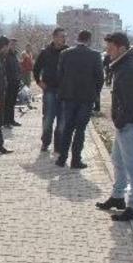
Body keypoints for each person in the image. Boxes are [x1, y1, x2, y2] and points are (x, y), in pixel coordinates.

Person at [96, 32, 133, 221]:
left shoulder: (129, 69)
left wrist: (120, 121)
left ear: (121, 48)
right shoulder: (129, 62)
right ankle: (118, 197)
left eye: (110, 49)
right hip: (127, 123)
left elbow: (132, 102)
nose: (108, 52)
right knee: (117, 160)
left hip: (131, 124)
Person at [55, 30, 104, 169]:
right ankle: (76, 160)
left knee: (67, 128)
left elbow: (59, 75)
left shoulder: (65, 54)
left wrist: (64, 90)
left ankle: (62, 158)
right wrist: (95, 95)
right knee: (80, 130)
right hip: (86, 98)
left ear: (78, 39)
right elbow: (100, 78)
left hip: (68, 97)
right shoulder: (95, 55)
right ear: (89, 40)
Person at [33, 28, 69, 152]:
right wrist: (38, 81)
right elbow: (36, 68)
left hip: (64, 92)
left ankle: (58, 145)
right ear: (54, 37)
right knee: (48, 118)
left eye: (65, 36)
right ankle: (45, 142)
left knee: (62, 120)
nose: (63, 39)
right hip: (49, 90)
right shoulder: (45, 52)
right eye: (61, 36)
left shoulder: (68, 52)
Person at [3, 39, 21, 127]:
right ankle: (6, 122)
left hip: (16, 82)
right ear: (9, 45)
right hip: (9, 82)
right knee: (8, 103)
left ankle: (11, 120)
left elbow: (18, 68)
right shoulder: (6, 55)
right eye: (12, 44)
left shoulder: (16, 55)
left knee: (13, 102)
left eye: (15, 44)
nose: (14, 46)